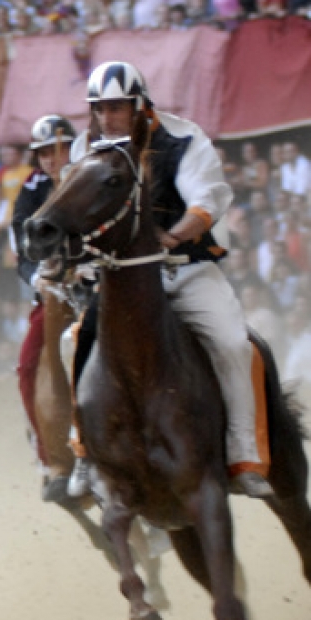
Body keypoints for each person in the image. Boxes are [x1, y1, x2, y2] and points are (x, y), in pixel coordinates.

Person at [70, 61, 267, 497]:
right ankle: (83, 451)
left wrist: (173, 235)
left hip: (187, 268)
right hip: (123, 280)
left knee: (234, 344)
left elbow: (206, 203)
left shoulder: (184, 138)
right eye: (100, 109)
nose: (107, 118)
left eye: (117, 108)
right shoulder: (85, 146)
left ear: (141, 105)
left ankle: (244, 455)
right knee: (74, 339)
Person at [10, 114, 74, 503]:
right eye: (46, 152)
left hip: (99, 282)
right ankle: (49, 456)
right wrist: (39, 279)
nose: (54, 158)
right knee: (27, 365)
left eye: (61, 148)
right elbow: (22, 250)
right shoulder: (31, 190)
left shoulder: (95, 173)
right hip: (52, 292)